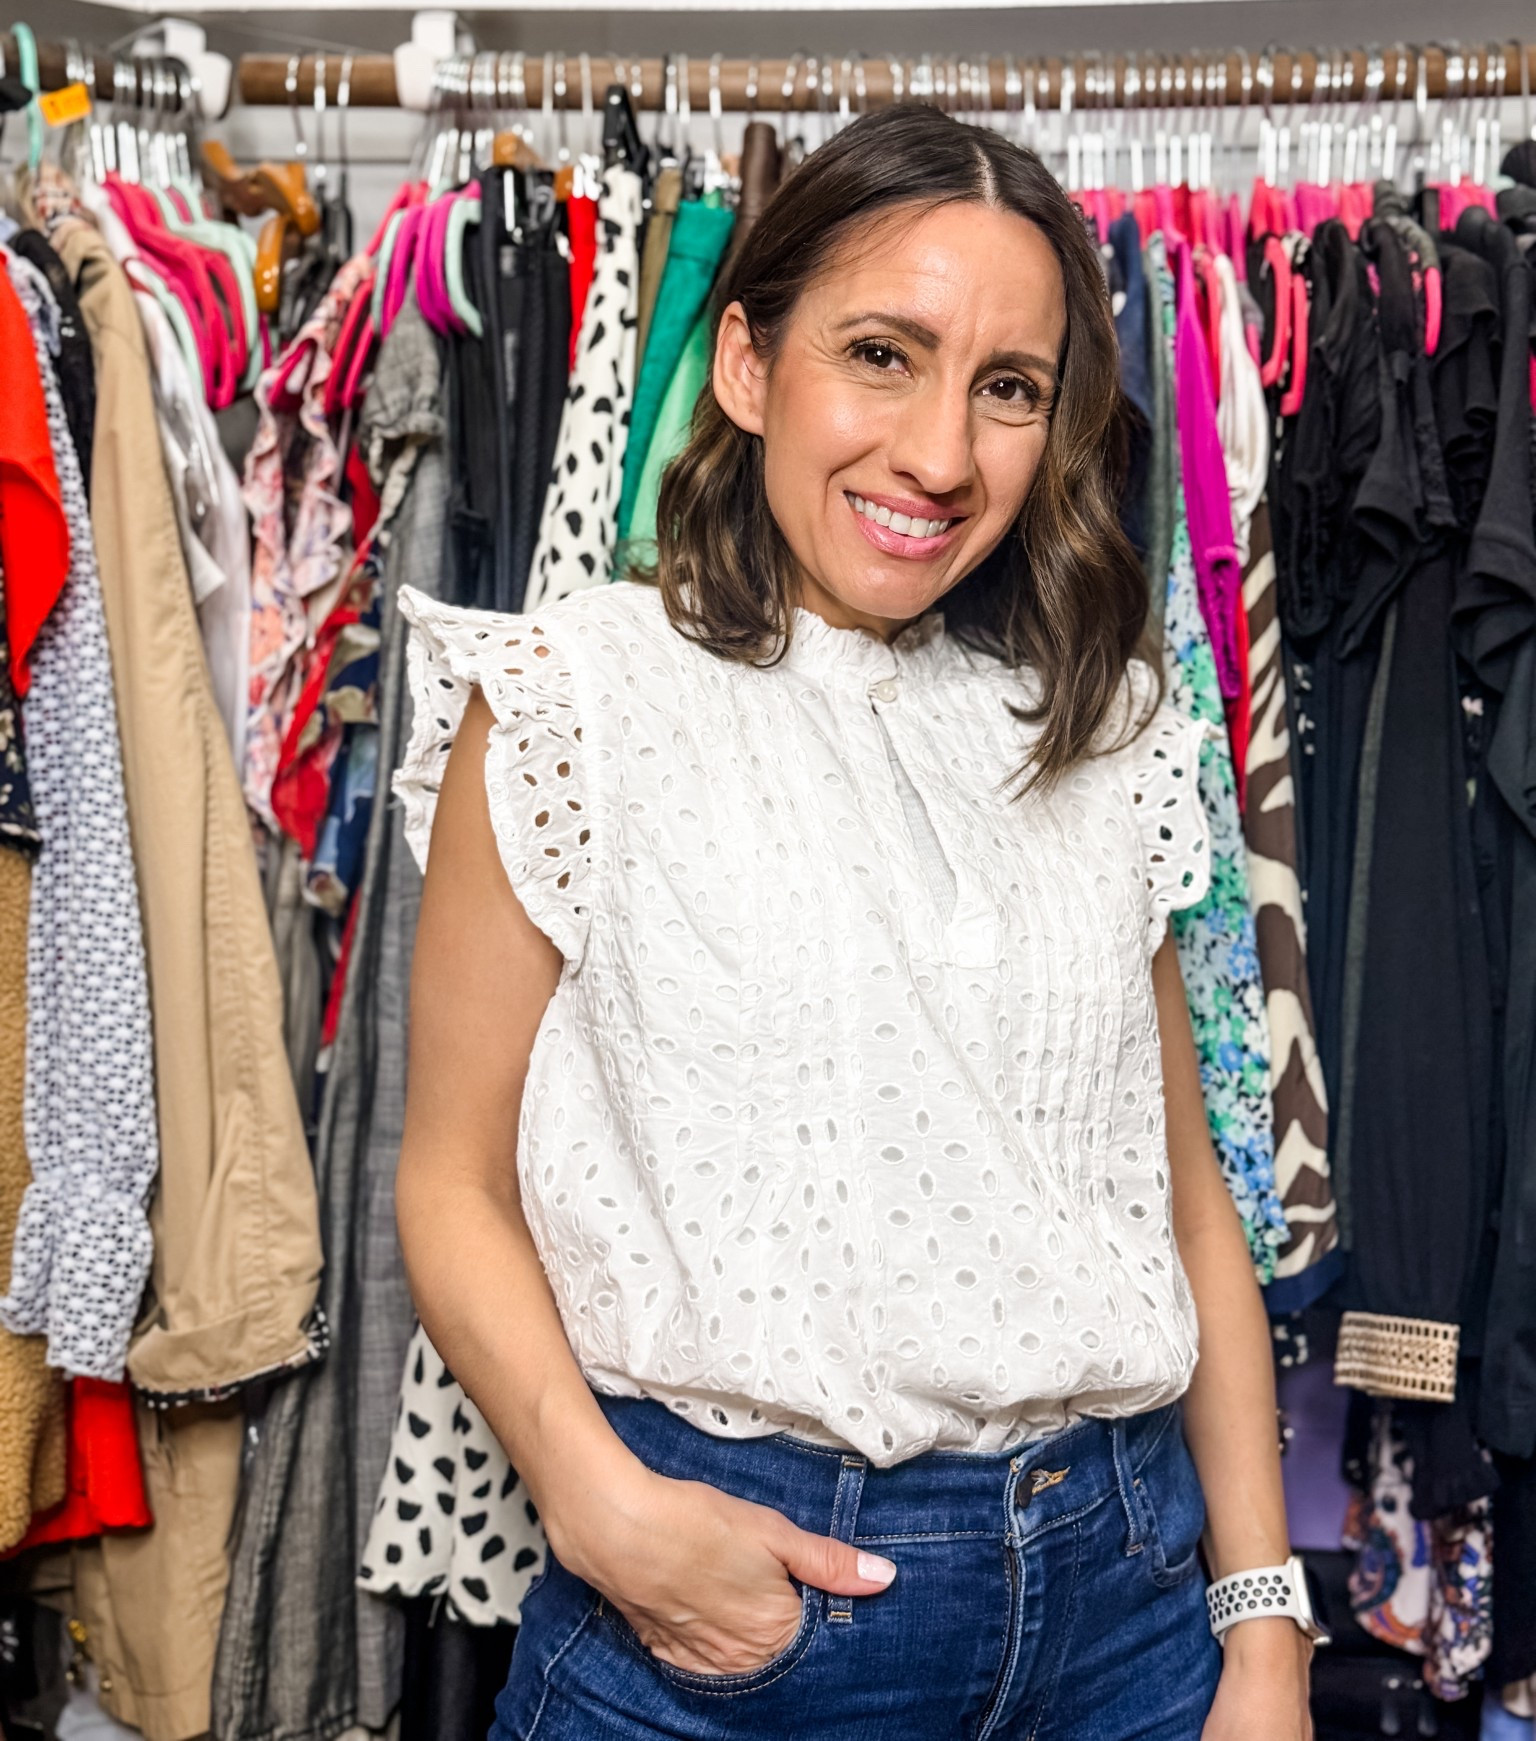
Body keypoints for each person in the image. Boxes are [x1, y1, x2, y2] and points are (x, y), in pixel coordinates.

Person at [394, 104, 1314, 1740]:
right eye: (882, 353)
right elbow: (450, 1183)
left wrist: (1264, 1629)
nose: (942, 455)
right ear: (746, 363)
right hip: (741, 1609)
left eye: (1008, 388)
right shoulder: (571, 697)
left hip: (1127, 1610)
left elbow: (1191, 1211)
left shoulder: (1106, 731)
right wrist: (601, 1504)